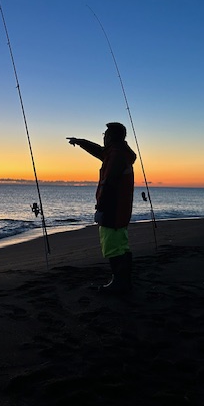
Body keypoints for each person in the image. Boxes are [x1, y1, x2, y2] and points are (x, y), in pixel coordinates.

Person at [67, 122, 136, 294]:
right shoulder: (118, 152)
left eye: (105, 134)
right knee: (121, 245)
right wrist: (81, 142)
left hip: (114, 210)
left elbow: (109, 183)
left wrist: (101, 208)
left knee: (112, 247)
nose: (103, 137)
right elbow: (99, 151)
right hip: (121, 210)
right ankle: (124, 280)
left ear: (111, 136)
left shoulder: (116, 155)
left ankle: (119, 283)